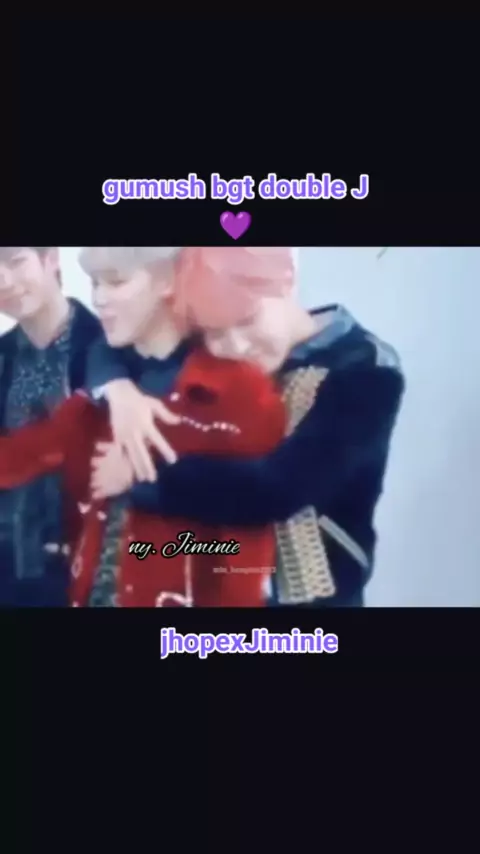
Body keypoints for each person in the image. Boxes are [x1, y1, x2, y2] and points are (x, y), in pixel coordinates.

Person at [88, 248, 405, 607]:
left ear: (287, 283)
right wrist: (118, 391)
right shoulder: (215, 328)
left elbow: (278, 488)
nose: (237, 346)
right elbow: (108, 346)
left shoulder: (365, 369)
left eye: (248, 320)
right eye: (216, 333)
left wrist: (141, 477)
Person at [0, 246, 288, 606]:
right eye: (94, 284)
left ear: (166, 281)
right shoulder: (100, 395)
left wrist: (141, 478)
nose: (99, 299)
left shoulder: (238, 388)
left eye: (116, 282)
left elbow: (245, 548)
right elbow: (23, 454)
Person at [0, 246, 102, 607]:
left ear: (51, 258)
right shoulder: (3, 355)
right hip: (9, 570)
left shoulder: (108, 348)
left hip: (88, 570)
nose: (3, 280)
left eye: (15, 261)